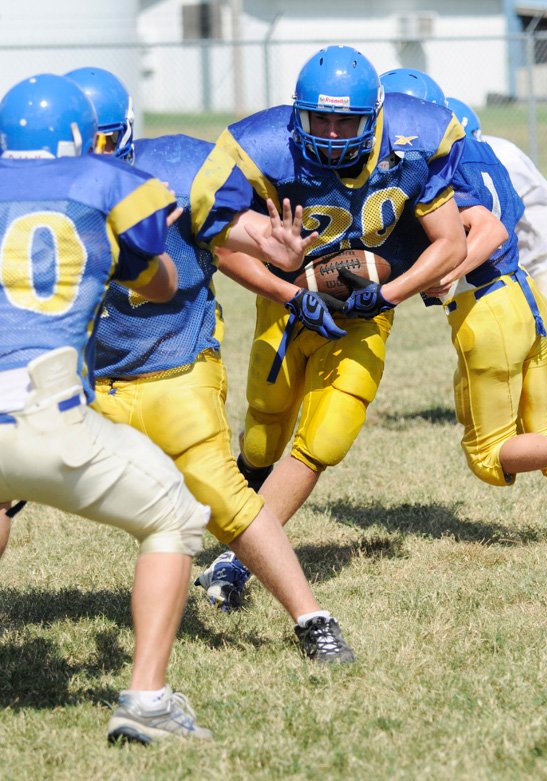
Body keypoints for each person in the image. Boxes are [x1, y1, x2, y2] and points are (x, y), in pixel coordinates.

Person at [65, 66, 355, 664]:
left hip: (172, 365)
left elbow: (236, 228)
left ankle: (312, 619)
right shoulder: (27, 189)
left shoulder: (177, 167)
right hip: (81, 378)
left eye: (95, 142)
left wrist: (266, 243)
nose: (85, 158)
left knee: (224, 497)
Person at [196, 45, 469, 592]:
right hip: (285, 301)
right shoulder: (263, 148)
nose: (331, 132)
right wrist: (290, 290)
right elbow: (221, 249)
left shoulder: (414, 139)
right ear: (296, 112)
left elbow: (452, 241)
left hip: (366, 312)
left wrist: (389, 295)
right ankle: (247, 494)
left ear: (376, 118)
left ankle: (237, 564)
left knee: (327, 436)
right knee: (263, 431)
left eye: (346, 121)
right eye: (319, 117)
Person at [0, 73, 215, 744]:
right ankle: (148, 700)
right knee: (174, 516)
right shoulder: (106, 183)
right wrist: (140, 246)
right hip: (48, 413)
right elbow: (161, 284)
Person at [378, 71, 547, 494]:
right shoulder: (485, 154)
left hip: (488, 310)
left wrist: (440, 274)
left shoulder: (432, 167)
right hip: (523, 294)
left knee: (488, 454)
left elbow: (489, 230)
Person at [446, 96, 547, 424]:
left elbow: (494, 226)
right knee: (538, 337)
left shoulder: (489, 160)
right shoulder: (490, 147)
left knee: (544, 343)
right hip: (543, 252)